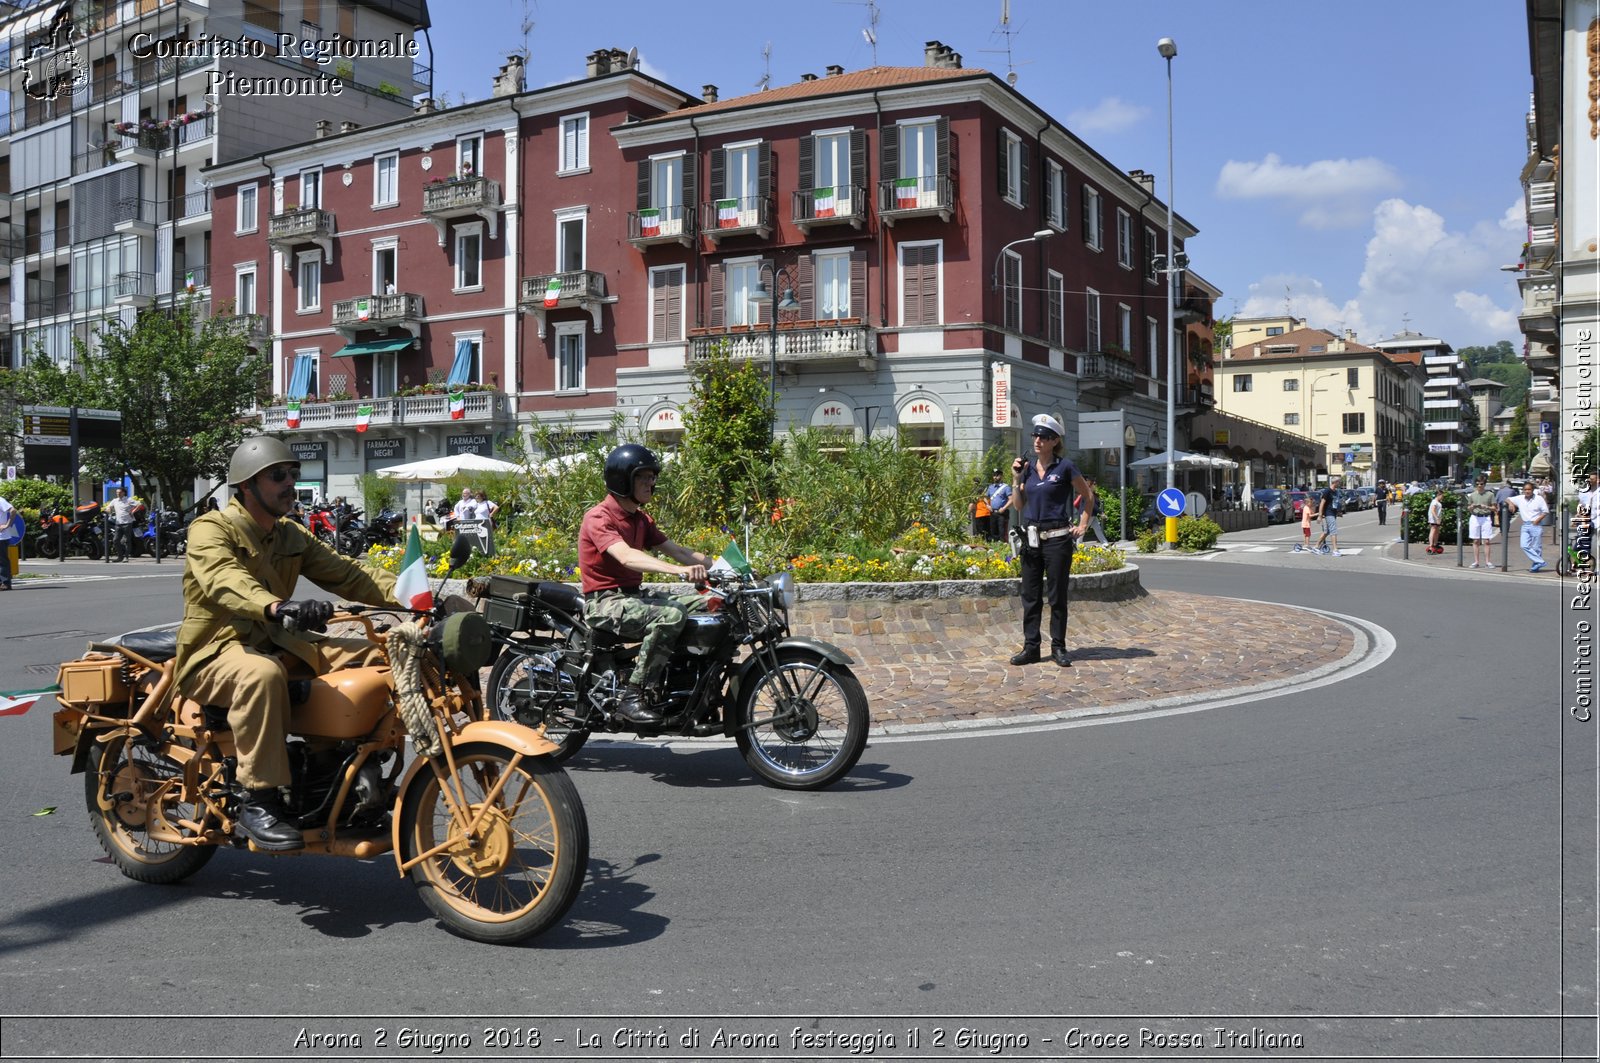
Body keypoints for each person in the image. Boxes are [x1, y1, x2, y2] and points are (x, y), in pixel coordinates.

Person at [173, 437, 401, 851]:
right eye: (277, 475)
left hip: (278, 641)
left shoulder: (289, 535)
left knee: (374, 654)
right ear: (246, 485)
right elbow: (223, 578)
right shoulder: (210, 529)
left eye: (293, 474)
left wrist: (417, 594)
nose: (289, 483)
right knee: (261, 675)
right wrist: (277, 606)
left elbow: (351, 575)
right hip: (214, 650)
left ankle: (328, 771)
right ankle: (256, 800)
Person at [578, 443, 712, 725]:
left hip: (632, 596)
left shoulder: (640, 519)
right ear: (623, 479)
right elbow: (627, 557)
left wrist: (727, 566)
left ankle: (685, 683)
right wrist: (678, 571)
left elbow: (681, 552)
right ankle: (632, 695)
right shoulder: (599, 517)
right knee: (671, 614)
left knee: (709, 603)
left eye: (652, 477)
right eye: (644, 476)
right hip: (605, 603)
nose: (651, 482)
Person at [1006, 413, 1093, 668]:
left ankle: (1058, 647)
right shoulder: (1028, 468)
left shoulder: (1065, 467)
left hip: (1057, 539)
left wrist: (1082, 525)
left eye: (1043, 437)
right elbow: (1020, 505)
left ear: (1054, 441)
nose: (1037, 441)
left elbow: (1088, 497)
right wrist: (1016, 479)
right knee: (1030, 596)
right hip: (1032, 540)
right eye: (1035, 435)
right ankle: (1031, 647)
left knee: (1057, 597)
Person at [1506, 479, 1550, 572]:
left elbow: (1545, 512)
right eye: (1525, 489)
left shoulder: (1539, 499)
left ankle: (1536, 565)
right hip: (1525, 525)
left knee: (1536, 547)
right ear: (1523, 490)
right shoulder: (1520, 498)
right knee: (1524, 545)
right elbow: (1507, 499)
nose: (1527, 491)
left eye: (1529, 489)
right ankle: (1540, 561)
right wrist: (1510, 504)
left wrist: (1537, 520)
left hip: (1536, 524)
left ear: (1532, 490)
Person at [1465, 476, 1498, 568]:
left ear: (1484, 484)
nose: (1479, 485)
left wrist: (1486, 507)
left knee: (1486, 540)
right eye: (1477, 484)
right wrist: (1471, 507)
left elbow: (1495, 508)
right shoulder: (1472, 495)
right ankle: (1476, 561)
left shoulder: (1490, 494)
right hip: (1475, 517)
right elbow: (1468, 507)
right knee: (1475, 540)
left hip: (1485, 517)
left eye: (1481, 484)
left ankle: (1488, 561)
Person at [106, 487, 138, 562]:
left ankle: (126, 557)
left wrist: (133, 511)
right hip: (118, 523)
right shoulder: (115, 500)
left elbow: (139, 504)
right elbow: (109, 507)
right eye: (117, 492)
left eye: (120, 492)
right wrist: (109, 510)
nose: (118, 494)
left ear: (124, 493)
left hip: (127, 523)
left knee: (127, 540)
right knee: (115, 540)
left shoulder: (128, 500)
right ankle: (120, 556)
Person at [1311, 477, 1342, 557]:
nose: (1340, 483)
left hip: (1333, 513)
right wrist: (1320, 515)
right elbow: (1322, 503)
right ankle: (1335, 550)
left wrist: (1338, 512)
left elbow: (1335, 503)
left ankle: (1316, 547)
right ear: (1335, 482)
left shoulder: (1336, 491)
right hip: (1328, 513)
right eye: (1339, 482)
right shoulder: (1327, 491)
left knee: (1327, 531)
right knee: (1333, 530)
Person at [984, 470, 1012, 542]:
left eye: (997, 475)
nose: (995, 477)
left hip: (1002, 513)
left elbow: (1011, 499)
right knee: (993, 532)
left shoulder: (1006, 487)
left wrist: (1004, 508)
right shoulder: (990, 487)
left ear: (1001, 476)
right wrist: (988, 505)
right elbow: (985, 497)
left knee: (1002, 532)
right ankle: (995, 548)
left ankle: (1003, 548)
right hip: (993, 512)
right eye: (994, 475)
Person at [0, 493, 17, 590]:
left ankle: (5, 583)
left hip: (1, 537)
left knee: (2, 561)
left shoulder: (0, 500)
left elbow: (13, 510)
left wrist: (7, 525)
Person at [1426, 488, 1446, 555]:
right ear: (1438, 495)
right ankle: (1431, 545)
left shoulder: (1438, 502)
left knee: (1437, 531)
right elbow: (1433, 510)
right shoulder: (1434, 502)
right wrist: (1436, 518)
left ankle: (1435, 544)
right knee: (1433, 530)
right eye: (1442, 496)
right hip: (1433, 519)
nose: (1442, 497)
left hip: (1437, 518)